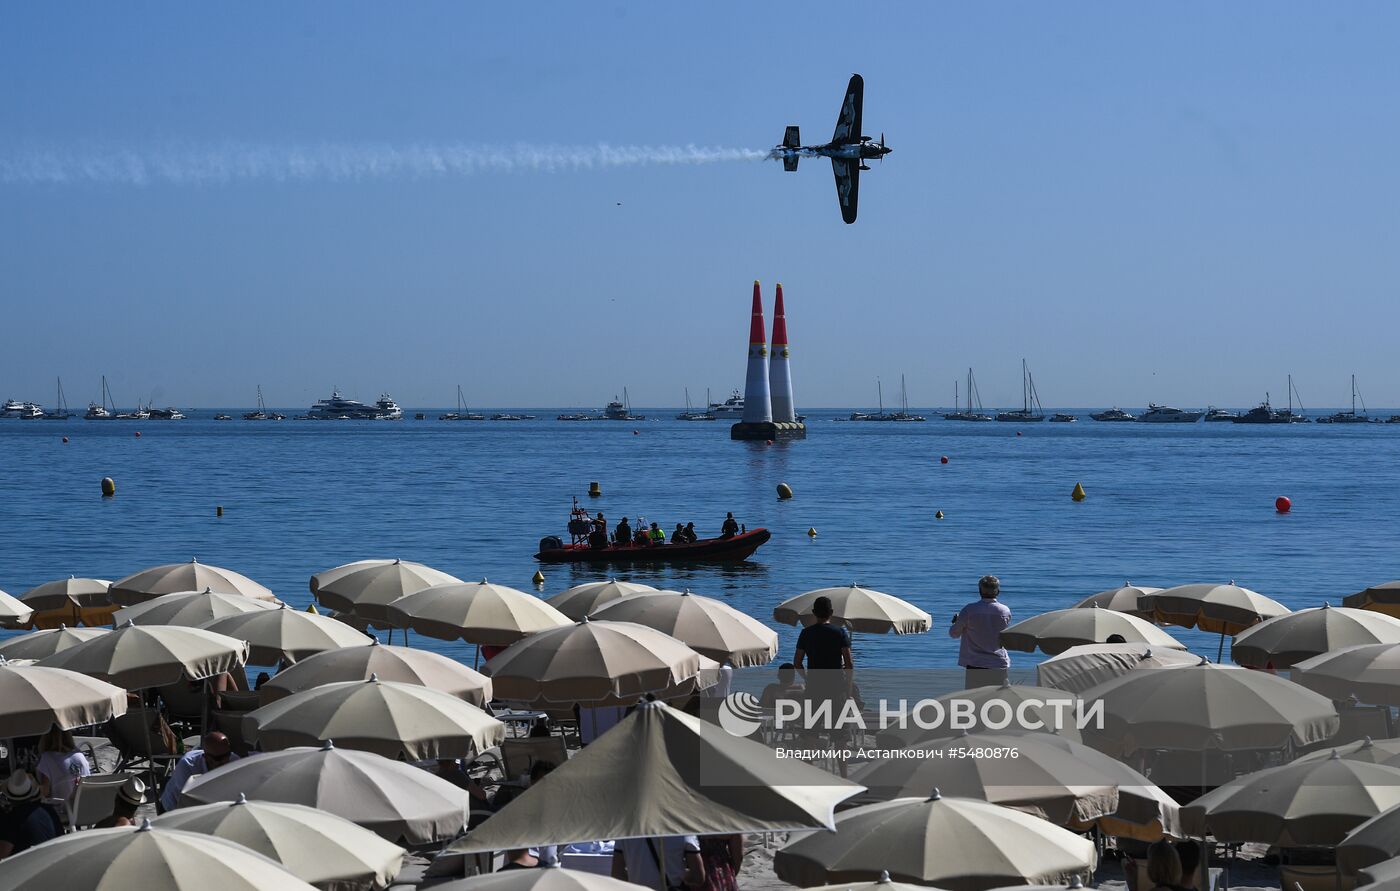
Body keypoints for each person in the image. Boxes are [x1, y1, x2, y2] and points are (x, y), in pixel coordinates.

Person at [949, 575, 1012, 689]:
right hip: (998, 662)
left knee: (975, 702)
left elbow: (954, 634)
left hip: (975, 663)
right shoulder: (1005, 611)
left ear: (979, 590)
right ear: (998, 591)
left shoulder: (969, 610)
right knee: (999, 702)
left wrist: (956, 622)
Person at [158, 731, 238, 812]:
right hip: (173, 809)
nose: (224, 761)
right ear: (206, 757)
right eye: (218, 759)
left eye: (227, 755)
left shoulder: (234, 760)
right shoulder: (187, 765)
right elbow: (188, 799)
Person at [0, 771, 62, 860]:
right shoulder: (49, 810)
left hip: (27, 867)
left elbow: (2, 855)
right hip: (53, 861)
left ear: (9, 797)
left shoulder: (12, 817)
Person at [613, 834, 705, 889]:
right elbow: (698, 877)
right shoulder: (684, 831)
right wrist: (679, 873)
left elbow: (617, 874)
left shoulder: (626, 832)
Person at [34, 724, 90, 805]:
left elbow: (45, 791)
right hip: (83, 807)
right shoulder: (79, 755)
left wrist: (30, 786)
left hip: (62, 810)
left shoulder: (47, 758)